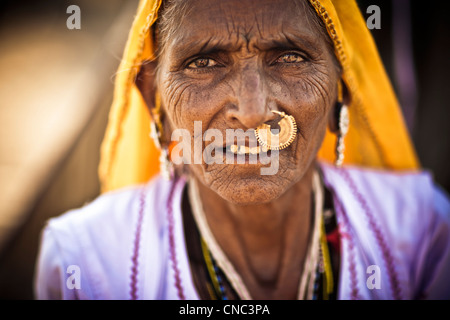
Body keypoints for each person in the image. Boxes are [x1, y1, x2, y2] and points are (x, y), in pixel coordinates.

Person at [34, 0, 450, 300]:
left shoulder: (421, 233)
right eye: (204, 63)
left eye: (289, 57)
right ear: (153, 96)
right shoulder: (86, 263)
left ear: (342, 88)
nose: (252, 113)